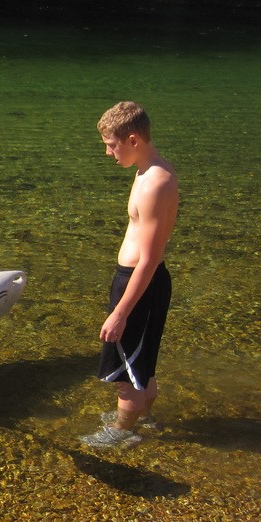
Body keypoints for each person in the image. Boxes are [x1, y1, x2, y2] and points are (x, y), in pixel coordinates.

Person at [81, 101, 179, 448]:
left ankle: (121, 432)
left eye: (112, 144)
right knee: (141, 363)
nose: (109, 153)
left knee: (127, 373)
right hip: (137, 280)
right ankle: (144, 418)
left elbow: (149, 260)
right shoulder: (148, 171)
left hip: (142, 282)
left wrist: (120, 313)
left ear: (133, 139)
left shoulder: (155, 183)